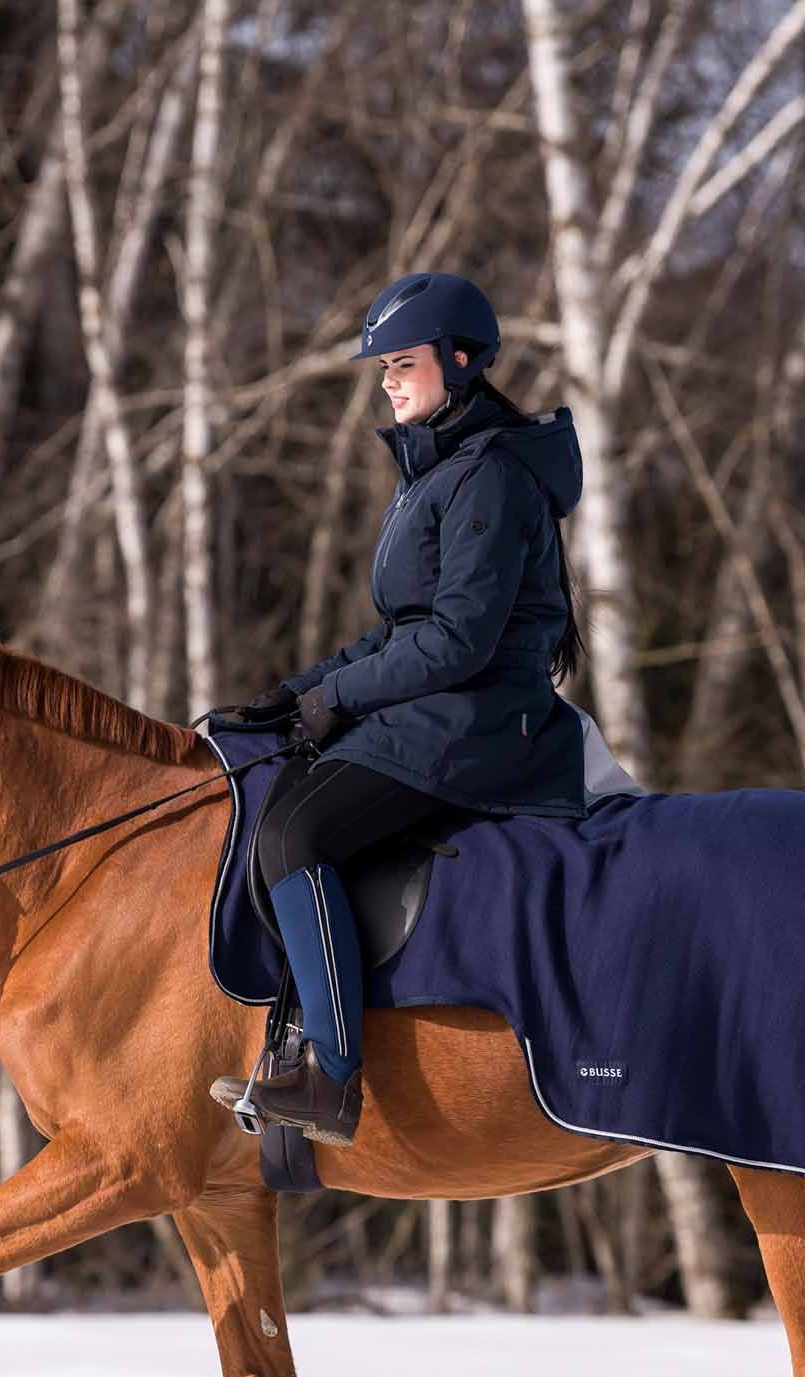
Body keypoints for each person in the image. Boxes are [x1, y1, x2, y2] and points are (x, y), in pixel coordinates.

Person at [209, 270, 588, 1147]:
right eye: (382, 365)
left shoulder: (486, 477)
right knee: (272, 786)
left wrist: (334, 700)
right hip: (443, 707)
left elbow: (457, 641)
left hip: (487, 722)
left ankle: (330, 1076)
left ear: (461, 362)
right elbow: (398, 631)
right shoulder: (441, 471)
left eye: (403, 362)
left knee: (294, 836)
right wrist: (294, 696)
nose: (387, 379)